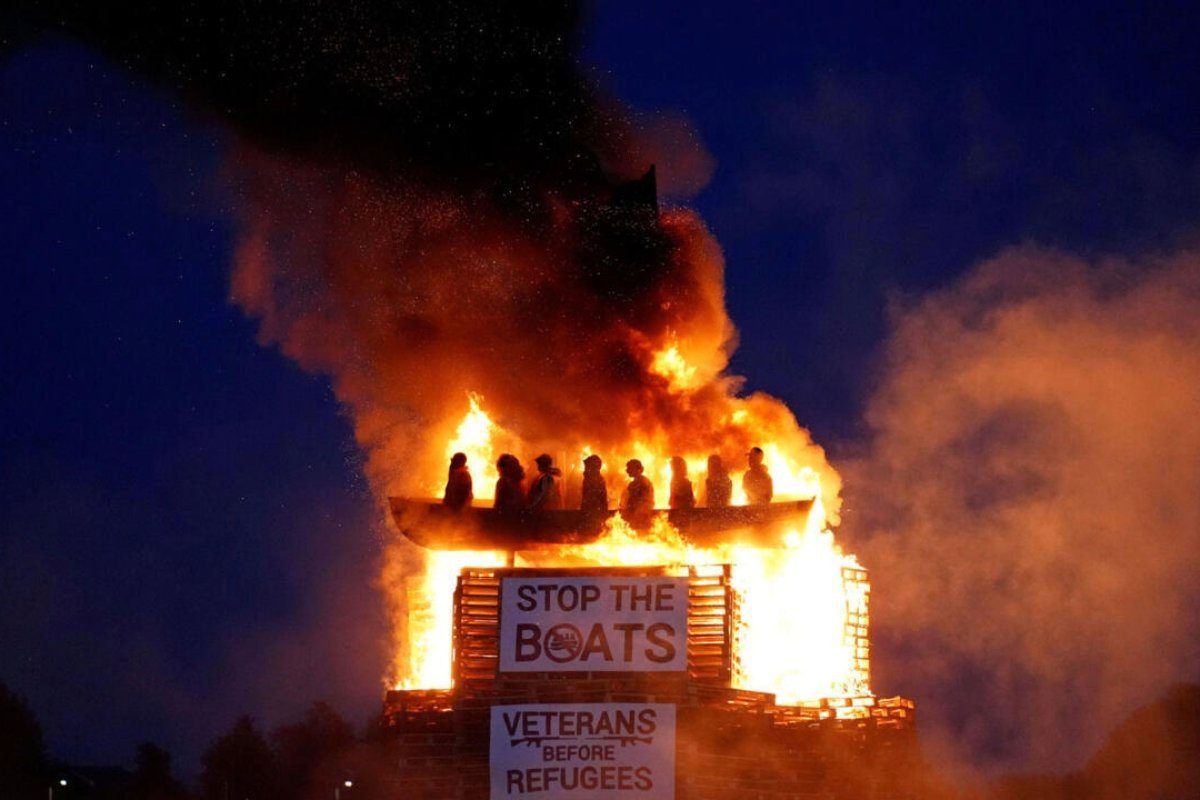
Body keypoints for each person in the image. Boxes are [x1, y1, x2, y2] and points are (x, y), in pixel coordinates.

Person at [620, 458, 655, 528]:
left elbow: (636, 501)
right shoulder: (642, 481)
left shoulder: (640, 482)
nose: (627, 470)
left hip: (640, 516)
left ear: (636, 469)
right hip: (641, 515)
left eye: (629, 468)